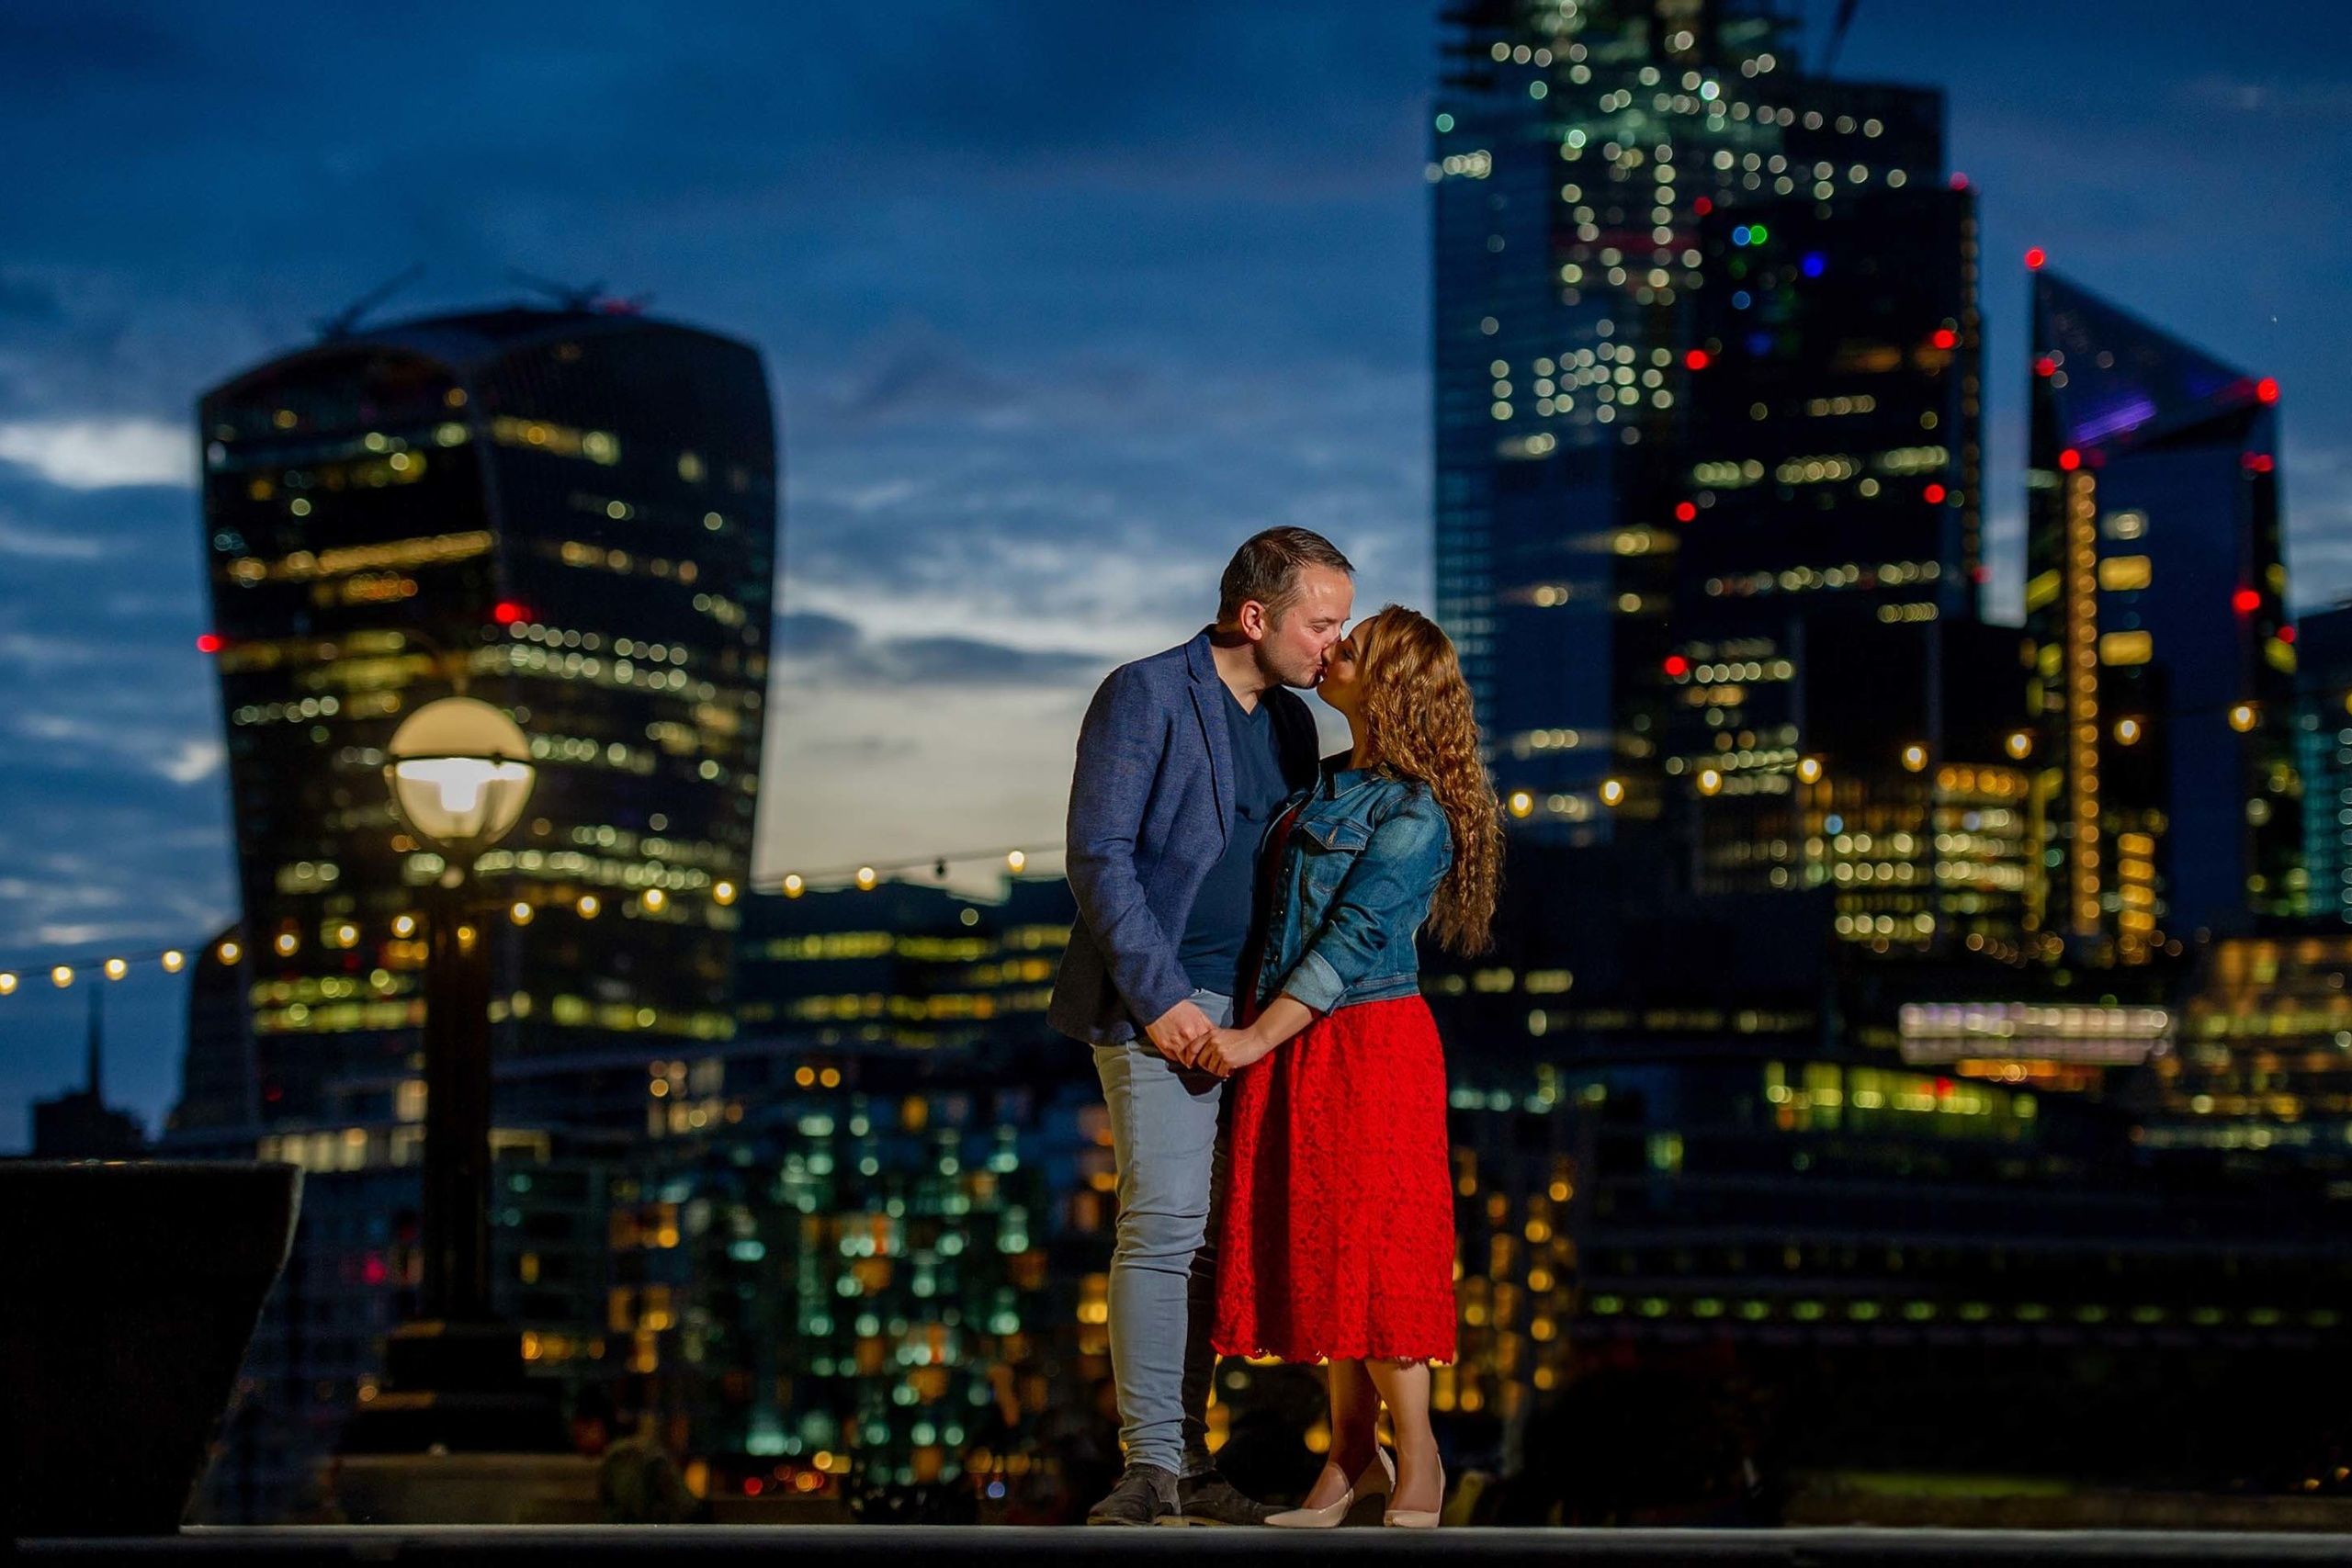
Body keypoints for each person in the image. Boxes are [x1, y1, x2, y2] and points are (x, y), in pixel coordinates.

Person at [1048, 527, 1356, 1526]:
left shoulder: (1295, 726)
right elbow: (1098, 857)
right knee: (1165, 1224)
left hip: (1257, 1013)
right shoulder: (1144, 693)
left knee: (1217, 1245)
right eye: (1322, 622)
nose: (1334, 644)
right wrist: (1164, 999)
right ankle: (1152, 1466)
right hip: (1161, 1004)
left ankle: (1190, 1459)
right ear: (1255, 616)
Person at [1198, 605, 1502, 1530]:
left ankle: (1420, 1458)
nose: (1332, 653)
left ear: (1394, 685)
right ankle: (1347, 1459)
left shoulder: (1416, 813)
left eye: (1353, 648)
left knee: (1372, 1253)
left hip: (1366, 1044)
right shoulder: (1319, 784)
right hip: (1304, 1041)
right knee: (1327, 1258)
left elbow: (1354, 934)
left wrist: (1253, 1038)